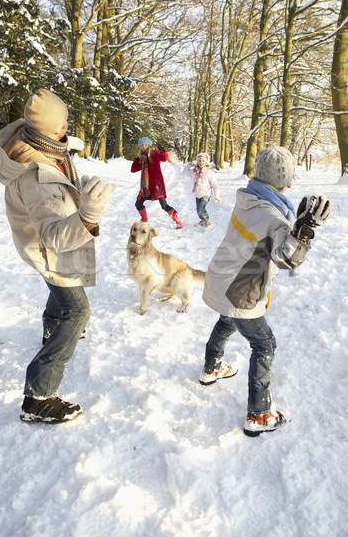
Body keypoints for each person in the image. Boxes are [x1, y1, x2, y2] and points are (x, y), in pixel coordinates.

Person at [0, 88, 114, 424]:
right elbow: (54, 238)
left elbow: (56, 154)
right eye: (61, 126)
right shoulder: (36, 179)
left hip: (42, 246)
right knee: (77, 311)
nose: (67, 129)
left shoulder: (37, 141)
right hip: (46, 249)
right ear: (47, 133)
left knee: (62, 296)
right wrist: (88, 216)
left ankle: (51, 328)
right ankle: (38, 394)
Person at [200, 146, 330, 437]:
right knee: (264, 344)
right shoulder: (273, 216)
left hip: (221, 277)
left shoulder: (248, 197)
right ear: (284, 182)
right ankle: (258, 415)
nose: (292, 184)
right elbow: (288, 258)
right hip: (240, 290)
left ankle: (211, 367)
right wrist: (304, 229)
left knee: (226, 320)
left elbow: (269, 237)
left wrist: (293, 227)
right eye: (289, 178)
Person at [131, 137, 183, 228]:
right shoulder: (142, 158)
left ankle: (178, 221)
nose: (144, 146)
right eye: (142, 145)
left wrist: (163, 151)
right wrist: (136, 160)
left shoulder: (154, 153)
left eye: (146, 144)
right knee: (138, 203)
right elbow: (133, 170)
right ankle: (144, 219)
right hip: (146, 185)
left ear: (149, 145)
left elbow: (164, 158)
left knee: (163, 205)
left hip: (156, 184)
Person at [182, 152, 220, 228]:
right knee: (198, 210)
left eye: (203, 161)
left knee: (201, 209)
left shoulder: (209, 173)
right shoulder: (194, 171)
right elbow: (184, 173)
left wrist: (217, 196)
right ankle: (203, 220)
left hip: (206, 194)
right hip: (197, 194)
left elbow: (215, 186)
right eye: (199, 160)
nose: (201, 162)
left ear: (206, 162)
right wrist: (190, 165)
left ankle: (207, 221)